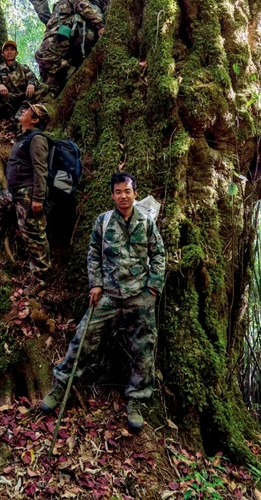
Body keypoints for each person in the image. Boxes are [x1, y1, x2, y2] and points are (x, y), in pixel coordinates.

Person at [40, 172, 165, 432]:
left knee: (144, 348)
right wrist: (95, 283)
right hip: (108, 294)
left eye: (127, 191)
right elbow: (94, 253)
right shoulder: (103, 221)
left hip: (139, 295)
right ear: (112, 195)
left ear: (134, 193)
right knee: (84, 336)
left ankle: (137, 401)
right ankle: (61, 387)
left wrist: (153, 286)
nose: (123, 196)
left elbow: (158, 253)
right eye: (118, 192)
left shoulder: (146, 222)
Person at [0, 103, 51, 293]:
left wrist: (38, 198)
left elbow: (40, 170)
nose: (23, 111)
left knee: (33, 235)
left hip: (28, 195)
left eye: (28, 111)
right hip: (15, 192)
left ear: (35, 120)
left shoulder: (37, 139)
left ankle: (41, 279)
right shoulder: (24, 138)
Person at [35, 0, 104, 96]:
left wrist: (99, 25)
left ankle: (68, 67)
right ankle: (52, 94)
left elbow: (84, 7)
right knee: (47, 74)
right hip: (53, 36)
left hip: (62, 35)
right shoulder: (58, 2)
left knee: (41, 55)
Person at [0, 40, 48, 118]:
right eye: (6, 50)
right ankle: (8, 115)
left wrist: (31, 83)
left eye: (12, 49)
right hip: (9, 98)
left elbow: (33, 78)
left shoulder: (24, 68)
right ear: (2, 54)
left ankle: (23, 108)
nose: (9, 52)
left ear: (16, 53)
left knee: (43, 87)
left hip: (24, 97)